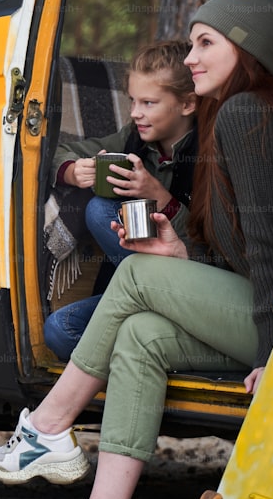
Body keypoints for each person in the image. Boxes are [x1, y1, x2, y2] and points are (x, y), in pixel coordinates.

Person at [0, 0, 273, 499]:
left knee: (136, 278)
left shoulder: (251, 111)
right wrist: (180, 247)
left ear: (244, 50)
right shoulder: (237, 113)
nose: (192, 57)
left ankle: (48, 425)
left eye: (206, 43)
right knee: (140, 332)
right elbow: (240, 252)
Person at [44, 40, 198, 359]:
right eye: (132, 101)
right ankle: (141, 332)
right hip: (136, 283)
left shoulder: (212, 149)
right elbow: (58, 151)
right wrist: (74, 172)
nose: (135, 113)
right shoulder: (134, 136)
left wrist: (158, 195)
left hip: (192, 282)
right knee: (60, 329)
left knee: (101, 210)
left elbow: (209, 242)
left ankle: (154, 338)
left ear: (187, 104)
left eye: (148, 103)